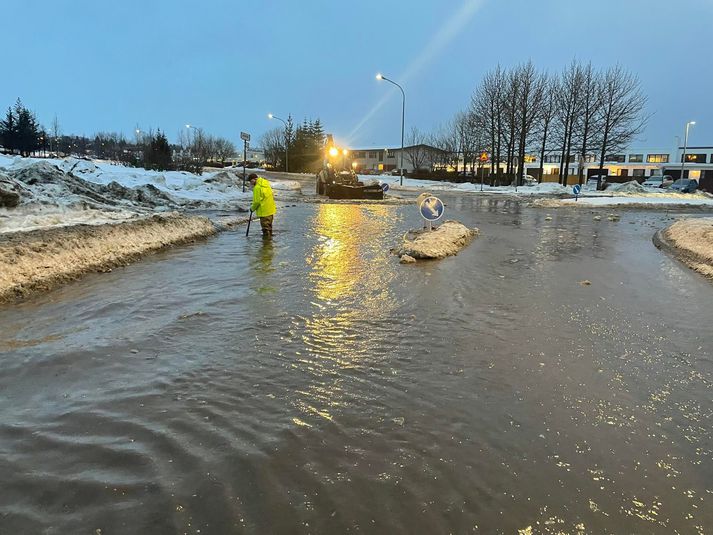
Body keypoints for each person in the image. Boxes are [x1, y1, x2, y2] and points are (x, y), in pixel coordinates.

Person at [248, 173, 276, 239]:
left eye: (251, 181)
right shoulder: (266, 184)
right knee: (269, 228)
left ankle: (266, 245)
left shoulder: (257, 188)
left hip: (264, 212)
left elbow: (257, 202)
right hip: (270, 210)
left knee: (265, 230)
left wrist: (252, 208)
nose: (251, 183)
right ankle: (270, 244)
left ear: (255, 179)